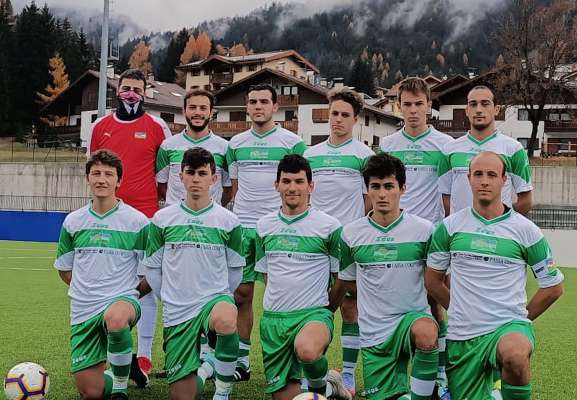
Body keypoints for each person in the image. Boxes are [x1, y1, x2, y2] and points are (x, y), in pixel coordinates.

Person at [426, 151, 564, 400]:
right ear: (468, 179)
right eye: (478, 174)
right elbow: (432, 280)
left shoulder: (526, 231)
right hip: (463, 335)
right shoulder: (448, 228)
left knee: (515, 354)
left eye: (491, 174)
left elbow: (553, 286)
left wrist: (521, 320)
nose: (484, 181)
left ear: (504, 180)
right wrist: (458, 308)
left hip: (508, 327)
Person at [330, 153, 439, 400]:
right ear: (367, 189)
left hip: (411, 321)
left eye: (389, 186)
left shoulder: (424, 230)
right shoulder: (350, 234)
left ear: (402, 188)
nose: (382, 194)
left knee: (425, 331)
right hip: (374, 333)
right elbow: (347, 281)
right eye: (375, 187)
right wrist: (328, 309)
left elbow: (436, 283)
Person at [88, 68, 172, 381]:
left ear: (145, 92)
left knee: (146, 285)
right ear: (117, 90)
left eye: (137, 89)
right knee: (108, 283)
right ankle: (115, 354)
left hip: (146, 217)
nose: (131, 94)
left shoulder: (157, 126)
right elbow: (93, 168)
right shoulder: (100, 126)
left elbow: (163, 176)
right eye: (126, 88)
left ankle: (145, 358)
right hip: (109, 219)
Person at [143, 148, 244, 400]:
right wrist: (167, 297)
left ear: (213, 178)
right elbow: (153, 268)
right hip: (177, 309)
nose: (196, 178)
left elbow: (235, 270)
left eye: (202, 173)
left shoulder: (229, 221)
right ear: (181, 177)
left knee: (226, 319)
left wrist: (223, 297)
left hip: (213, 300)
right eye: (191, 173)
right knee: (182, 395)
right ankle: (207, 367)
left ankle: (222, 393)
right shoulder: (162, 219)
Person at [226, 84, 306, 380]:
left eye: (264, 102)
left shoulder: (293, 142)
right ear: (247, 106)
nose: (258, 106)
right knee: (241, 294)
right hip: (245, 227)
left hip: (279, 230)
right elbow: (234, 187)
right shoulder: (235, 144)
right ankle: (241, 361)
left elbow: (299, 185)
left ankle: (292, 359)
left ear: (275, 107)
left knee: (284, 293)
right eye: (252, 102)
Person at [54, 150, 150, 400]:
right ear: (87, 178)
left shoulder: (137, 222)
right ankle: (126, 366)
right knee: (92, 392)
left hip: (122, 303)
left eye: (109, 174)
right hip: (83, 309)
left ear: (119, 181)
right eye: (96, 173)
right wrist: (88, 290)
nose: (101, 179)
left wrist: (130, 295)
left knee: (116, 319)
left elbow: (152, 272)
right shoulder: (73, 222)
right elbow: (65, 270)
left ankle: (120, 386)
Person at [379, 77, 453, 398]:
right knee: (394, 304)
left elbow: (449, 198)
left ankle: (441, 373)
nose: (412, 110)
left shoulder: (444, 146)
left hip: (430, 239)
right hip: (395, 239)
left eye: (418, 104)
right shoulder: (389, 145)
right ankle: (397, 374)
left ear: (429, 105)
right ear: (399, 106)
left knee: (434, 306)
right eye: (406, 104)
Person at [255, 154, 350, 400]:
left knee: (307, 350)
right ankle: (329, 386)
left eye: (299, 181)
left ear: (311, 186)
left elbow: (340, 278)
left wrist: (327, 311)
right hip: (274, 321)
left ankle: (320, 386)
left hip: (313, 314)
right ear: (277, 185)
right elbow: (267, 273)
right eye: (286, 181)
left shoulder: (328, 226)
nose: (292, 188)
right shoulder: (263, 226)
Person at [304, 87, 374, 396]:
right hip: (316, 247)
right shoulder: (311, 155)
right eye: (334, 113)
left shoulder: (364, 156)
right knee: (311, 309)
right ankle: (311, 370)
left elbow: (369, 203)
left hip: (347, 244)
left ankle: (347, 374)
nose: (338, 120)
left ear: (356, 119)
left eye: (345, 115)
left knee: (349, 310)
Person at [439, 85, 533, 216]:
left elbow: (526, 201)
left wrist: (504, 221)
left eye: (485, 104)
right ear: (467, 110)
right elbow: (445, 197)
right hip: (462, 233)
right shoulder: (449, 150)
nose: (478, 110)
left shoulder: (514, 149)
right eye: (473, 104)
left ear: (496, 109)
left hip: (499, 234)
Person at [156, 89, 231, 206]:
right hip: (176, 219)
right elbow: (161, 186)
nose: (197, 112)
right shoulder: (167, 146)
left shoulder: (225, 147)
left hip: (209, 220)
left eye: (203, 108)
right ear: (184, 111)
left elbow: (228, 189)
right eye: (192, 107)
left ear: (211, 113)